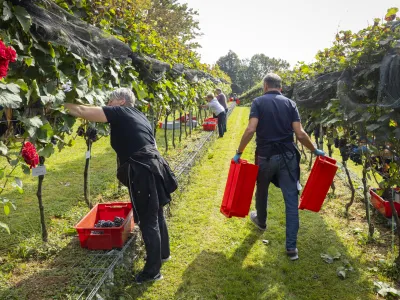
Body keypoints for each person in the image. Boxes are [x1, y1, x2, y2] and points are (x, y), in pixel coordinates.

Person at [65, 88, 177, 283]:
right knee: (156, 212)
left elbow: (83, 111)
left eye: (110, 99)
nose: (107, 102)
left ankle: (153, 272)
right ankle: (163, 255)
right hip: (155, 165)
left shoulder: (120, 112)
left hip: (143, 170)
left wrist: (60, 103)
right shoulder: (139, 114)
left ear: (121, 100)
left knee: (148, 220)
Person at [232, 73, 325, 261]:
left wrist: (239, 152)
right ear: (280, 87)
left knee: (262, 189)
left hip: (266, 156)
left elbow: (251, 129)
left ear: (265, 86)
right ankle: (292, 248)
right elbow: (299, 133)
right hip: (288, 156)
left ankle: (261, 221)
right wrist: (315, 150)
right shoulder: (290, 104)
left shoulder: (258, 102)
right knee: (291, 200)